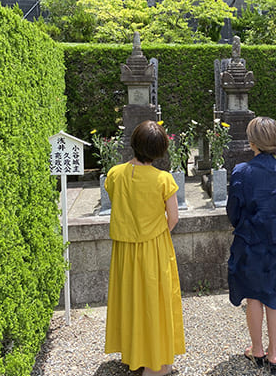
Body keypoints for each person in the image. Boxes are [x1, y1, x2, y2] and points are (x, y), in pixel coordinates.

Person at [104, 120, 185, 376]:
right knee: (156, 301)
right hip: (154, 248)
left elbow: (118, 200)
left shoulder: (114, 174)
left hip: (124, 250)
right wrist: (155, 234)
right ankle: (157, 363)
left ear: (134, 144)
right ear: (161, 149)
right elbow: (173, 218)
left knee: (131, 300)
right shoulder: (163, 179)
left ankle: (134, 355)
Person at [227, 117, 276, 375]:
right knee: (275, 298)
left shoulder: (242, 172)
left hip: (250, 242)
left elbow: (233, 211)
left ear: (251, 142)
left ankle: (257, 349)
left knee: (253, 295)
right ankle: (274, 354)